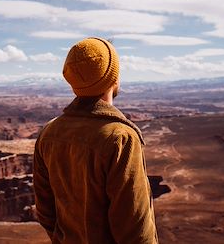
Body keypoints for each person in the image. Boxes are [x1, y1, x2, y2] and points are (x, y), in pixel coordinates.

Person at [33, 37, 158, 244]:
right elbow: (136, 228)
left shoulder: (49, 133)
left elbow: (45, 212)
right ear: (113, 78)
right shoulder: (120, 137)